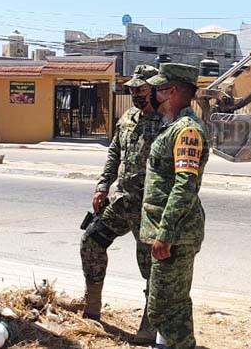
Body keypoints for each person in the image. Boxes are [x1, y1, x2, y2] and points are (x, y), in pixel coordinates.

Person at [67, 64, 161, 344]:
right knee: (91, 241)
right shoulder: (129, 117)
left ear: (155, 89)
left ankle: (150, 320)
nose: (135, 94)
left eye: (141, 89)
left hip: (150, 208)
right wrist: (102, 186)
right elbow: (114, 154)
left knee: (151, 267)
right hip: (122, 201)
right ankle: (92, 303)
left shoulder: (170, 120)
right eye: (132, 89)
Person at [141, 63, 208, 349]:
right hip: (167, 231)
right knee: (166, 305)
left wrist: (165, 233)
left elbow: (185, 185)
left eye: (157, 89)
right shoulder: (172, 126)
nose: (152, 94)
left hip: (176, 234)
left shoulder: (187, 131)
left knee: (167, 307)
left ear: (173, 91)